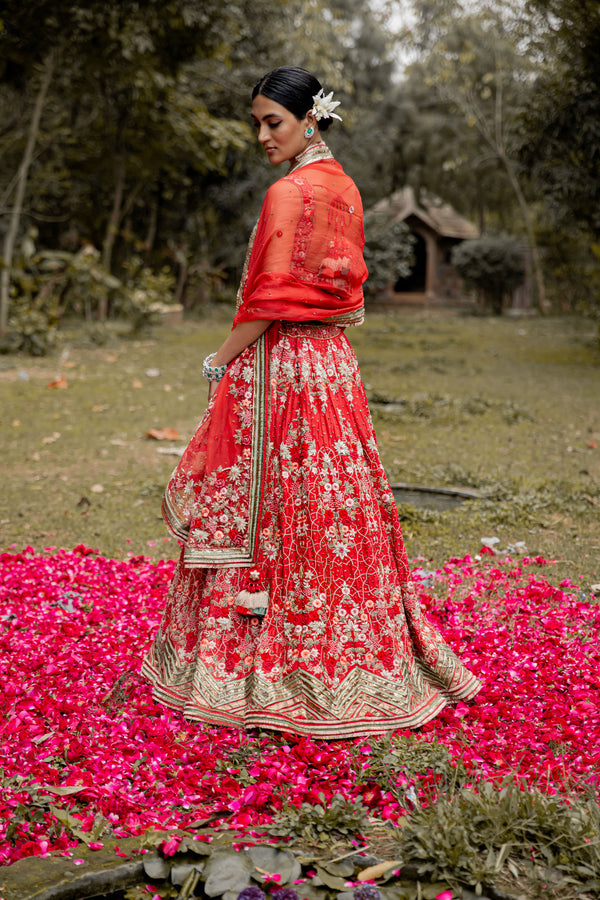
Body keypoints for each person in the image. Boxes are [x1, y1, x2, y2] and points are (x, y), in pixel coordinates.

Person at [141, 66, 481, 738]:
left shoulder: (291, 192)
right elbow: (344, 298)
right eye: (258, 123)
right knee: (328, 508)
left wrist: (220, 358)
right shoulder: (345, 188)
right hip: (331, 366)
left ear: (309, 119)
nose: (263, 135)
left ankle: (252, 667)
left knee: (272, 510)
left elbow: (268, 300)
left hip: (282, 366)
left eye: (274, 121)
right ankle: (354, 653)